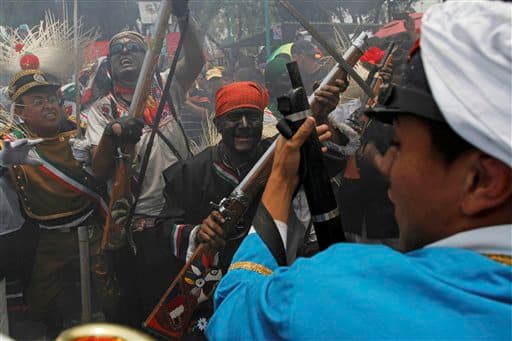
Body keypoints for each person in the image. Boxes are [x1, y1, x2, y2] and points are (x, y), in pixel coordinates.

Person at [207, 2, 512, 339]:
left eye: (401, 147)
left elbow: (236, 309)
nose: (389, 169)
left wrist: (279, 178)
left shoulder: (335, 292)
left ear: (484, 181)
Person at [159, 80, 343, 336]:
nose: (244, 125)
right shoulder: (191, 172)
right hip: (209, 285)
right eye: (235, 117)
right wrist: (198, 232)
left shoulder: (281, 154)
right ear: (217, 124)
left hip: (273, 273)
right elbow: (164, 226)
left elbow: (332, 162)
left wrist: (322, 115)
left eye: (253, 117)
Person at [85, 4, 205, 327]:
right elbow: (98, 168)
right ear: (109, 64)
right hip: (140, 228)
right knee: (145, 312)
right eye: (117, 51)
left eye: (134, 48)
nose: (125, 53)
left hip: (183, 213)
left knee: (188, 303)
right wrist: (114, 133)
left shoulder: (167, 85)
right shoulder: (100, 110)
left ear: (148, 57)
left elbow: (196, 60)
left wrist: (183, 16)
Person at [0, 69, 117, 337]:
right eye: (38, 101)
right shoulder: (10, 142)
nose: (49, 106)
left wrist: (95, 153)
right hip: (48, 239)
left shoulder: (83, 129)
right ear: (19, 111)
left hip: (92, 230)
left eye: (52, 99)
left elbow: (111, 168)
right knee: (40, 306)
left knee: (110, 296)